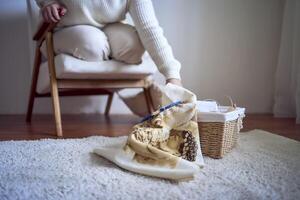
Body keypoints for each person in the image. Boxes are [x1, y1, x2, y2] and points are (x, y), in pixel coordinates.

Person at [36, 0, 182, 86]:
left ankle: (135, 94)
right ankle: (128, 95)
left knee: (134, 46)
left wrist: (172, 76)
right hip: (64, 29)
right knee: (92, 43)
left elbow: (150, 28)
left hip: (109, 27)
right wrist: (47, 2)